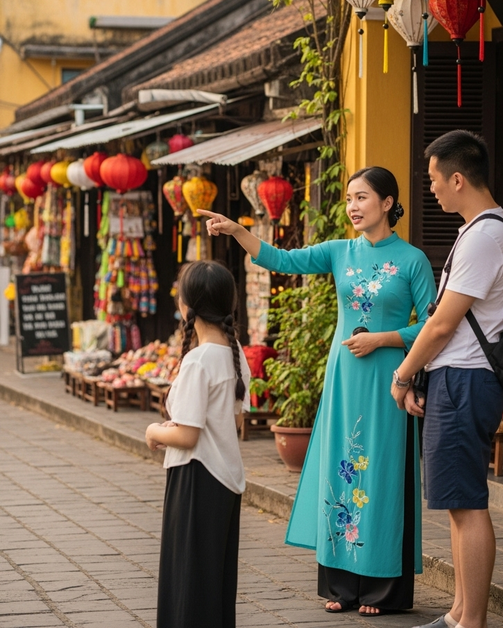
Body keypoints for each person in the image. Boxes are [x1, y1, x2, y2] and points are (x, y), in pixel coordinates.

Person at [200, 166, 435, 616]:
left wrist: (383, 339)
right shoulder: (339, 251)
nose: (352, 207)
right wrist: (236, 230)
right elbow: (282, 260)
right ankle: (341, 585)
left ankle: (383, 589)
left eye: (362, 198)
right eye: (348, 199)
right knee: (341, 470)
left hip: (389, 381)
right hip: (344, 378)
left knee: (381, 474)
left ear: (387, 203)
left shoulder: (412, 260)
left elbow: (432, 324)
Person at [390, 130, 503, 628]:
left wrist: (403, 375)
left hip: (466, 380)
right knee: (457, 503)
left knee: (466, 504)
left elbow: (443, 323)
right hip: (459, 379)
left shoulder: (484, 236)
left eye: (434, 179)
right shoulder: (481, 230)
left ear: (458, 178)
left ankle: (472, 621)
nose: (432, 188)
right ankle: (460, 613)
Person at [145, 260, 251, 628]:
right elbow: (233, 421)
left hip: (196, 476)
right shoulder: (235, 353)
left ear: (186, 305)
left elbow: (187, 436)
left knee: (187, 581)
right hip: (225, 478)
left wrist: (154, 431)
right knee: (213, 580)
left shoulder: (198, 360)